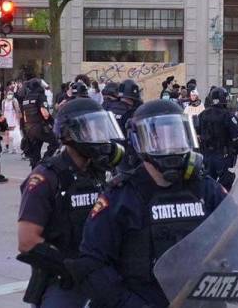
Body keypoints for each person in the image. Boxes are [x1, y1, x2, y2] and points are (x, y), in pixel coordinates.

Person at [64, 100, 227, 307]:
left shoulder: (206, 189)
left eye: (176, 135)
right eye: (158, 138)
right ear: (139, 142)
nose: (170, 146)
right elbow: (93, 264)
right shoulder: (120, 197)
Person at [17, 98, 124, 307]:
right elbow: (27, 241)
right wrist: (70, 267)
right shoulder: (46, 178)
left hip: (101, 271)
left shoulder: (100, 172)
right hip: (64, 278)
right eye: (92, 130)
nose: (100, 137)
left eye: (101, 128)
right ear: (68, 135)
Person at [197, 87, 238, 190]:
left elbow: (197, 134)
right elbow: (236, 137)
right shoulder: (227, 115)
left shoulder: (202, 115)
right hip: (223, 156)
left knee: (208, 182)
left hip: (206, 156)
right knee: (225, 184)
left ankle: (209, 203)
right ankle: (222, 203)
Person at [23, 78, 59, 168]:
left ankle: (34, 170)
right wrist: (52, 121)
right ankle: (45, 160)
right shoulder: (40, 96)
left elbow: (24, 115)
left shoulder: (26, 98)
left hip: (29, 128)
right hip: (40, 127)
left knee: (35, 151)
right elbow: (45, 114)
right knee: (55, 142)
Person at [2, 89, 22, 154]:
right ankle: (6, 147)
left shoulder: (14, 101)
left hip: (13, 119)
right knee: (6, 134)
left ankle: (14, 148)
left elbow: (17, 109)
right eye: (8, 93)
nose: (9, 95)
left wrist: (18, 118)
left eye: (11, 93)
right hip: (6, 119)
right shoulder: (4, 101)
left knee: (13, 134)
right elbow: (3, 110)